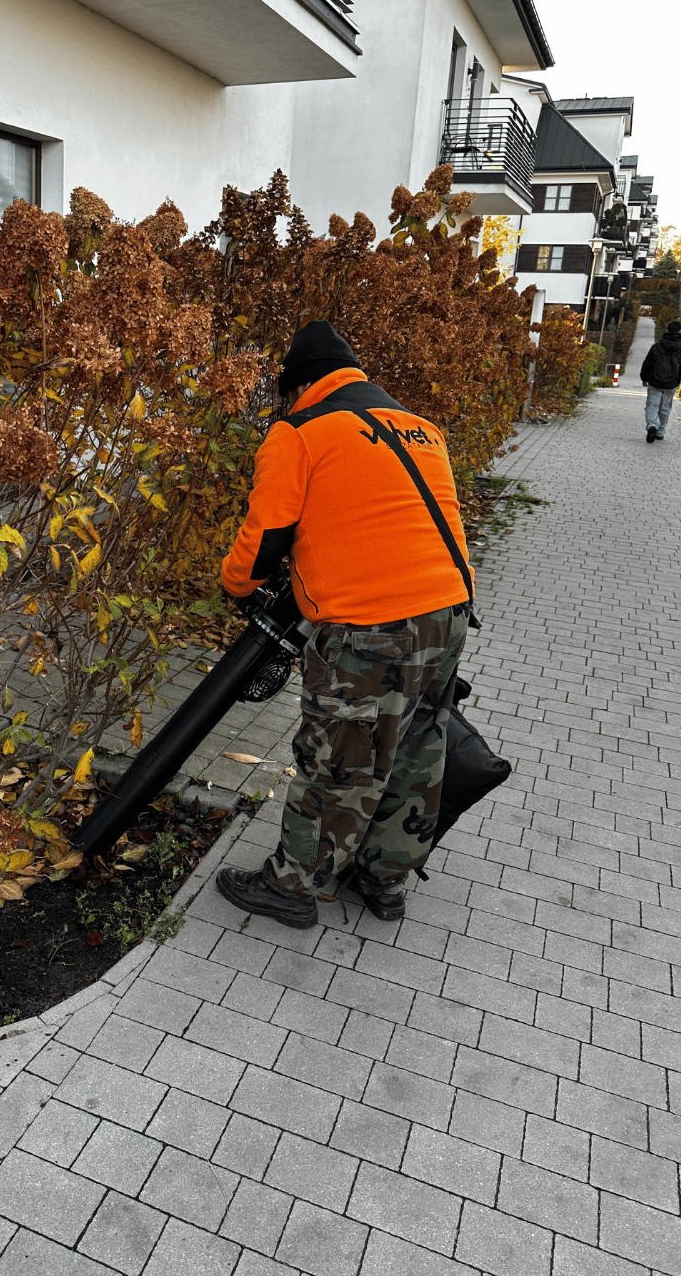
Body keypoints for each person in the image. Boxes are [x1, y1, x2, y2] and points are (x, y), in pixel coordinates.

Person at [215, 320, 472, 928]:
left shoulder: (301, 430)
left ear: (299, 383)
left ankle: (294, 887)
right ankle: (384, 880)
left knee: (339, 757)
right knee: (415, 745)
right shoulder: (420, 428)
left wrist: (235, 586)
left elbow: (263, 541)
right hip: (449, 611)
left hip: (370, 630)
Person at [640, 319, 681, 443]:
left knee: (652, 405)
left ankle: (651, 426)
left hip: (655, 382)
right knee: (665, 408)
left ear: (667, 330)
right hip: (672, 384)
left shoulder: (657, 346)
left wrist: (644, 378)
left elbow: (647, 363)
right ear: (680, 331)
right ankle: (660, 431)